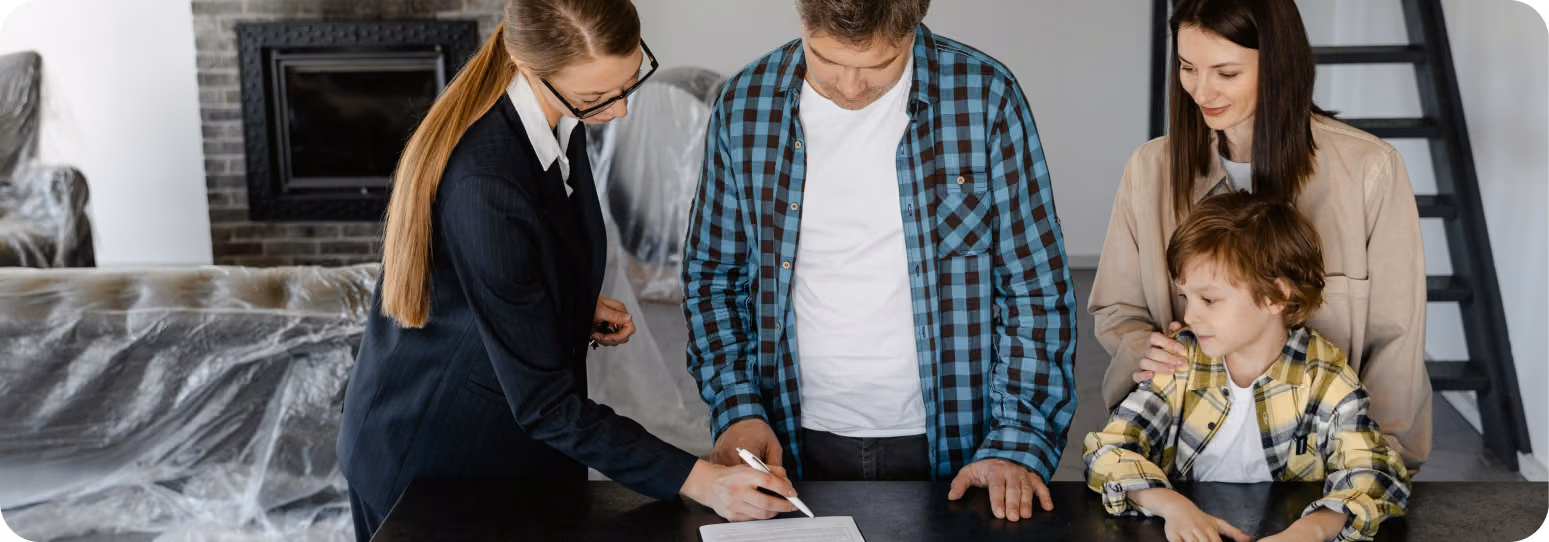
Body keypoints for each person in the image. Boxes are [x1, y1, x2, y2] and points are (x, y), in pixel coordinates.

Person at [335, 1, 798, 539]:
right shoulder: (486, 181)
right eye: (597, 98)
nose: (619, 111)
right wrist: (701, 480)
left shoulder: (558, 114)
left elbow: (510, 260)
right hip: (434, 456)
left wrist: (566, 300)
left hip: (507, 447)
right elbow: (545, 405)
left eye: (629, 82)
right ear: (534, 69)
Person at [682, 0, 1077, 522]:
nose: (849, 87)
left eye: (877, 66)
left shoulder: (985, 97)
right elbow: (714, 277)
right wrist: (736, 409)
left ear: (912, 29)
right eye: (824, 59)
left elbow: (1035, 288)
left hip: (957, 441)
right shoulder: (744, 105)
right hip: (789, 437)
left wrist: (1017, 441)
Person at [1087, 0, 1431, 471]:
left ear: (1278, 66)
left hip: (1325, 468)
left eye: (1226, 73)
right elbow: (1117, 309)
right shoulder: (1149, 170)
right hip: (1183, 458)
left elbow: (1397, 340)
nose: (1201, 90)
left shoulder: (1369, 171)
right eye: (1188, 68)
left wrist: (1376, 467)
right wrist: (1140, 347)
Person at [1085, 192, 1410, 542]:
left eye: (1209, 299)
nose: (1190, 316)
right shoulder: (1179, 361)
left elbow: (1375, 472)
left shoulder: (1325, 375)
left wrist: (1311, 530)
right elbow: (1108, 449)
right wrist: (1171, 506)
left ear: (1276, 296)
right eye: (1186, 298)